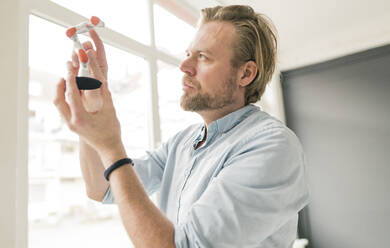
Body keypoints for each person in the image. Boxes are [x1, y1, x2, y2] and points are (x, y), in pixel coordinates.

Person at [54, 5, 309, 248]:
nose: (184, 66)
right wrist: (92, 109)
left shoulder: (272, 146)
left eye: (203, 57)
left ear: (245, 74)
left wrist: (111, 147)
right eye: (188, 54)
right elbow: (102, 187)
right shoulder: (183, 143)